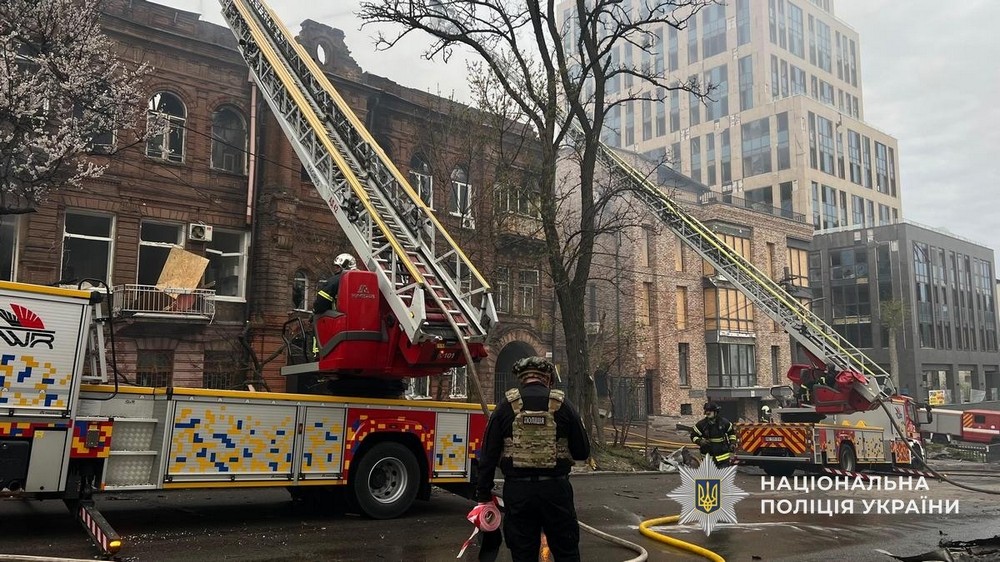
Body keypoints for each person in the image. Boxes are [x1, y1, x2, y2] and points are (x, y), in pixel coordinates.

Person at [474, 357, 590, 562]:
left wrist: (483, 495)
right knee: (566, 552)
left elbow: (488, 455)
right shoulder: (563, 405)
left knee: (523, 554)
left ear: (521, 378)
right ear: (548, 378)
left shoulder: (505, 407)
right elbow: (582, 452)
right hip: (556, 492)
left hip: (519, 494)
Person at [690, 402, 737, 468]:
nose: (708, 413)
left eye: (710, 411)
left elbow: (731, 433)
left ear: (716, 412)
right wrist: (700, 441)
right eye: (706, 411)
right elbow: (693, 436)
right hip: (707, 456)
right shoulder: (701, 424)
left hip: (723, 456)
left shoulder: (724, 423)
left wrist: (732, 443)